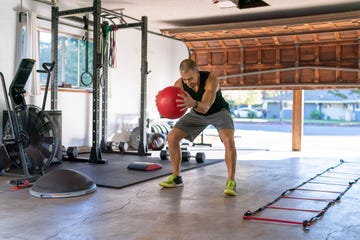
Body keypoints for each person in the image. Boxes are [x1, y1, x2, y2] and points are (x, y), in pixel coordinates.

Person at [159, 58, 237, 196]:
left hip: (218, 112)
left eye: (190, 78)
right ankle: (177, 177)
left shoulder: (211, 79)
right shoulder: (180, 84)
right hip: (196, 113)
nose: (188, 82)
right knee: (172, 137)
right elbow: (172, 102)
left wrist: (193, 102)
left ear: (197, 72)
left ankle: (231, 181)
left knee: (228, 140)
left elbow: (206, 107)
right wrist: (162, 102)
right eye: (185, 79)